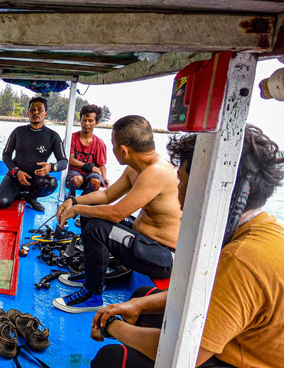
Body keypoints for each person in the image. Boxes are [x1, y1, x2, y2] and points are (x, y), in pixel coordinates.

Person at [90, 124, 284, 368]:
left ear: (218, 189)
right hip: (240, 338)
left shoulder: (240, 258)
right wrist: (137, 305)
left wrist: (112, 326)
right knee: (142, 298)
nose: (178, 193)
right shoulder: (264, 228)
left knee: (112, 359)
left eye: (181, 182)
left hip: (240, 360)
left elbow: (186, 354)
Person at [53, 115, 182, 313]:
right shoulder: (136, 168)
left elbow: (115, 213)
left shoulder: (157, 172)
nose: (112, 149)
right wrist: (74, 201)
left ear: (123, 150)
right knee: (92, 215)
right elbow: (105, 195)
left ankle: (92, 295)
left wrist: (77, 210)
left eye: (113, 144)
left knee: (98, 227)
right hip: (145, 240)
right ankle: (92, 274)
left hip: (162, 256)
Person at [0, 96, 68, 212]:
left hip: (36, 179)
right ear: (28, 113)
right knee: (1, 202)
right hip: (15, 177)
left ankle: (31, 197)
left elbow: (64, 161)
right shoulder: (18, 132)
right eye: (32, 110)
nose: (36, 112)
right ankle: (19, 193)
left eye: (40, 109)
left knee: (52, 183)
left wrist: (51, 167)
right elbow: (6, 155)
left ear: (46, 113)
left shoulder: (53, 136)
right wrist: (16, 171)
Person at [67, 104, 109, 197]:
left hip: (89, 175)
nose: (86, 124)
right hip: (73, 174)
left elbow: (101, 165)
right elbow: (69, 159)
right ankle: (71, 194)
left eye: (90, 121)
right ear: (80, 120)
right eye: (84, 120)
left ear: (97, 122)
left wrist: (104, 177)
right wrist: (89, 167)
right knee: (77, 179)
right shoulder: (71, 138)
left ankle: (80, 200)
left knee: (96, 182)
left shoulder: (100, 144)